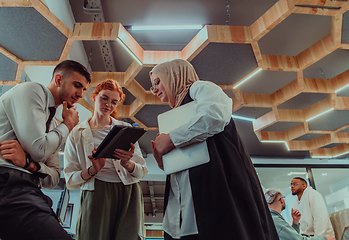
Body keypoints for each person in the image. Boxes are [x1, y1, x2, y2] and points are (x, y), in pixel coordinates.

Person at [150, 59, 279, 240]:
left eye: (157, 82)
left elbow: (215, 115)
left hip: (217, 190)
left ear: (174, 76)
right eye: (152, 86)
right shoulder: (175, 116)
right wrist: (161, 159)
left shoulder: (199, 88)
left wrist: (171, 139)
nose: (154, 89)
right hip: (189, 201)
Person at [0, 60, 91, 240]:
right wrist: (68, 124)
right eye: (77, 85)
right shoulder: (32, 90)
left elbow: (54, 177)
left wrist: (30, 164)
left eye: (84, 90)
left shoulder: (54, 125)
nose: (80, 94)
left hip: (30, 188)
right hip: (6, 182)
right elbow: (39, 150)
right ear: (58, 80)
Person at [63, 79, 148, 240]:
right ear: (94, 97)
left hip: (128, 192)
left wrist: (127, 163)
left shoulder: (127, 130)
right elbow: (70, 179)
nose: (108, 104)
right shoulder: (77, 133)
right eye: (104, 98)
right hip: (96, 192)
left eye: (114, 102)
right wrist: (92, 170)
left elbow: (142, 171)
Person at [265, 188, 335, 240]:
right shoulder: (275, 220)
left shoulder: (272, 218)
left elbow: (290, 236)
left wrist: (295, 222)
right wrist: (324, 238)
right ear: (281, 200)